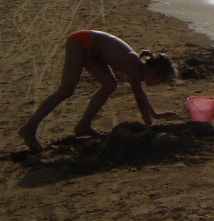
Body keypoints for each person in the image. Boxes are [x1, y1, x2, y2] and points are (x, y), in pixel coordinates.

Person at [19, 30, 177, 152]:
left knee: (110, 84)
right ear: (152, 72)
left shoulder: (139, 69)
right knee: (66, 90)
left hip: (93, 50)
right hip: (81, 41)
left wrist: (155, 114)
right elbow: (139, 98)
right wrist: (149, 126)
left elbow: (141, 94)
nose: (158, 85)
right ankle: (29, 128)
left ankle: (84, 125)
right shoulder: (134, 66)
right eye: (160, 80)